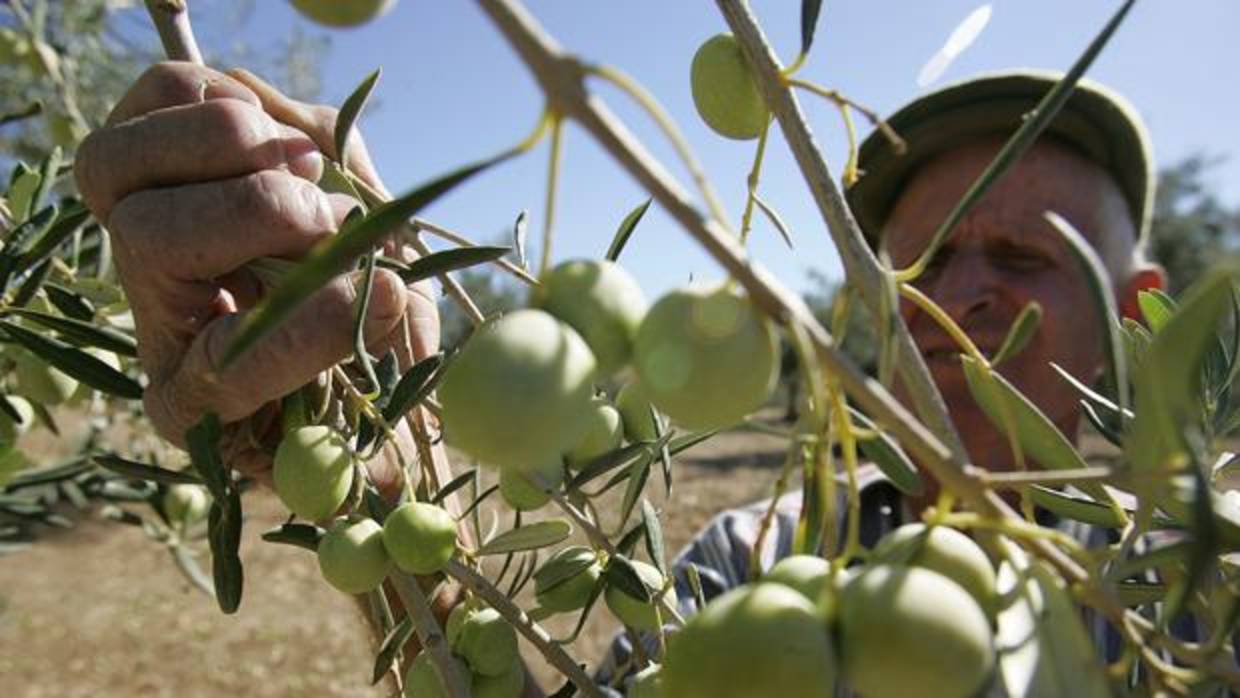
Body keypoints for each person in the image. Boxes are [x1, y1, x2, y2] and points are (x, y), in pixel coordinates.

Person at [72, 63, 1174, 697]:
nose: (963, 297)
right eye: (921, 267)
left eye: (1027, 261)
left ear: (1138, 314)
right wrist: (386, 470)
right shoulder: (752, 563)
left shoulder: (1193, 597)